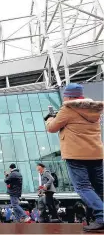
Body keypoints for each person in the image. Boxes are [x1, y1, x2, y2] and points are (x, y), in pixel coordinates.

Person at [45, 83, 103, 231]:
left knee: (83, 187)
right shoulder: (94, 108)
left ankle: (102, 216)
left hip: (76, 154)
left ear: (69, 96)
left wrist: (50, 118)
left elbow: (52, 128)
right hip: (96, 153)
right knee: (100, 186)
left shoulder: (68, 109)